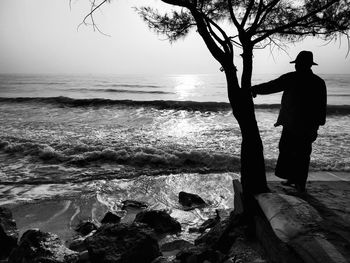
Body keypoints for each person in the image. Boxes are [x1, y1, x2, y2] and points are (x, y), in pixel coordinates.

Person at [251, 51, 327, 193]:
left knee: (292, 151)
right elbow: (322, 106)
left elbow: (272, 86)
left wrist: (255, 89)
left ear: (302, 64)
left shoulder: (292, 78)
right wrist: (318, 125)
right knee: (300, 152)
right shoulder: (318, 82)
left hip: (293, 123)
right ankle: (296, 180)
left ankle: (297, 181)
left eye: (298, 63)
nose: (296, 66)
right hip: (306, 125)